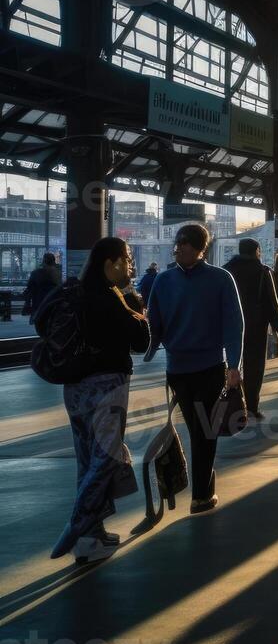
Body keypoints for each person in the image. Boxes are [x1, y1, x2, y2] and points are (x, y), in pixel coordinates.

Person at [50, 237, 148, 563]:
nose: (130, 267)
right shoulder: (111, 298)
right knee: (105, 457)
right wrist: (136, 307)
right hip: (107, 388)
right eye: (127, 259)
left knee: (85, 460)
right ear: (111, 263)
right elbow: (140, 340)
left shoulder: (77, 293)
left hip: (73, 389)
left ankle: (91, 538)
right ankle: (78, 525)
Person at [144, 223, 244, 514]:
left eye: (185, 244)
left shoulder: (221, 279)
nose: (178, 248)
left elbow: (234, 325)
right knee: (199, 429)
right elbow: (154, 326)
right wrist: (147, 349)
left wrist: (235, 365)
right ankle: (205, 484)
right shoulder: (163, 281)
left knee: (205, 431)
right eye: (177, 243)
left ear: (201, 249)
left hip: (211, 368)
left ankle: (201, 494)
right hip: (178, 371)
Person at [223, 238, 278, 421]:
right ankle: (251, 407)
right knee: (255, 367)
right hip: (256, 325)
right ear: (256, 251)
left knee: (232, 364)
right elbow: (271, 302)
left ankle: (234, 406)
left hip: (230, 325)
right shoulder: (263, 271)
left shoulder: (226, 270)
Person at [24, 251, 63, 324]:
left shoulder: (36, 273)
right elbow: (59, 288)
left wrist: (27, 304)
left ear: (44, 261)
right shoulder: (57, 273)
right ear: (53, 261)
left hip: (39, 304)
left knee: (40, 323)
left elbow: (29, 290)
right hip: (53, 304)